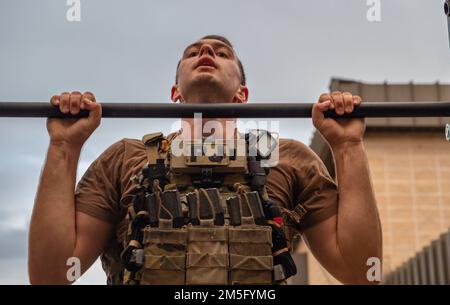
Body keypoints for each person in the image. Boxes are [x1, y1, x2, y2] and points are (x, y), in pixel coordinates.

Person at [28, 35, 382, 284]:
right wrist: (63, 146)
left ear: (242, 94)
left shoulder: (287, 158)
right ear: (175, 92)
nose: (207, 50)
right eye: (193, 51)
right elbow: (50, 275)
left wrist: (348, 146)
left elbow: (361, 272)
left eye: (222, 53)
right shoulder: (125, 158)